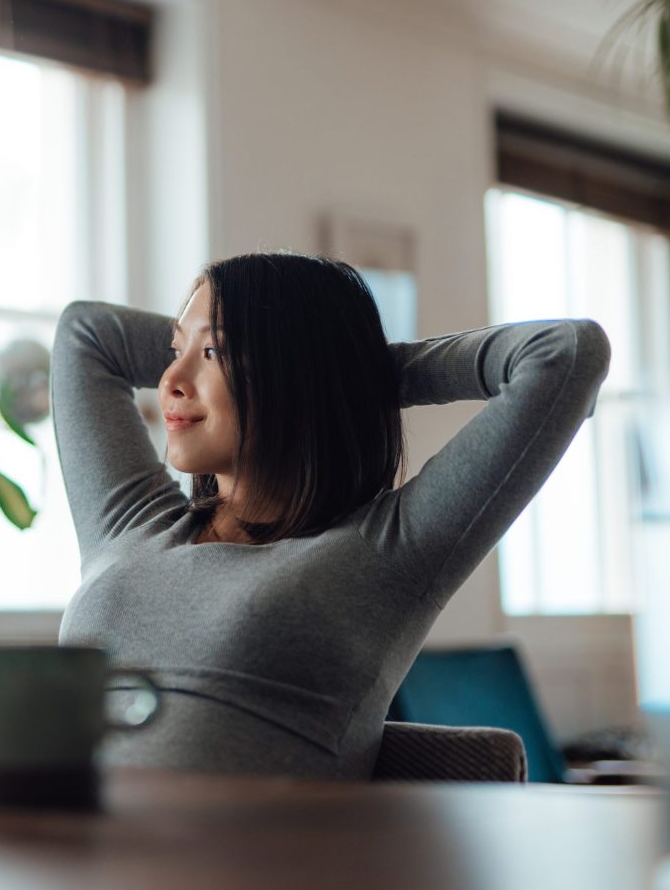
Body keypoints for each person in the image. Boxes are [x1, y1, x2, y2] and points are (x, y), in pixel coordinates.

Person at [51, 251, 611, 779]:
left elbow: (564, 352)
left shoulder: (382, 552)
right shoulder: (130, 521)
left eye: (215, 353)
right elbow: (87, 333)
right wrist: (321, 367)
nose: (171, 380)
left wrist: (346, 373)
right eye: (177, 349)